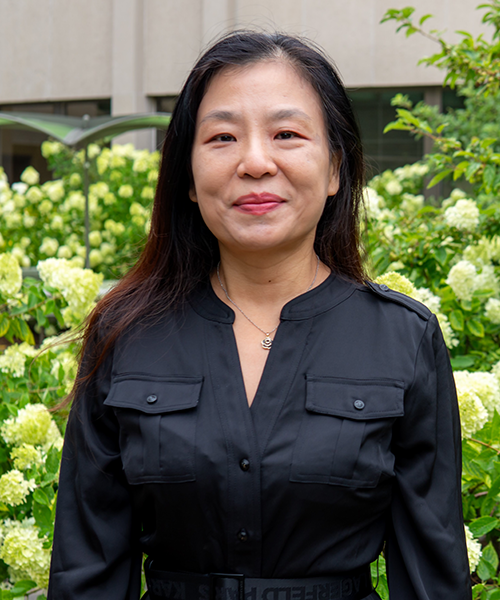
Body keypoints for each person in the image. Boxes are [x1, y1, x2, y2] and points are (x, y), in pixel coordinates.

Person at [47, 31, 471, 600]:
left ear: (335, 171)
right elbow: (87, 570)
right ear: (190, 180)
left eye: (287, 134)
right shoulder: (126, 334)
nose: (254, 161)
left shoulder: (403, 338)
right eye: (222, 136)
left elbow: (432, 576)